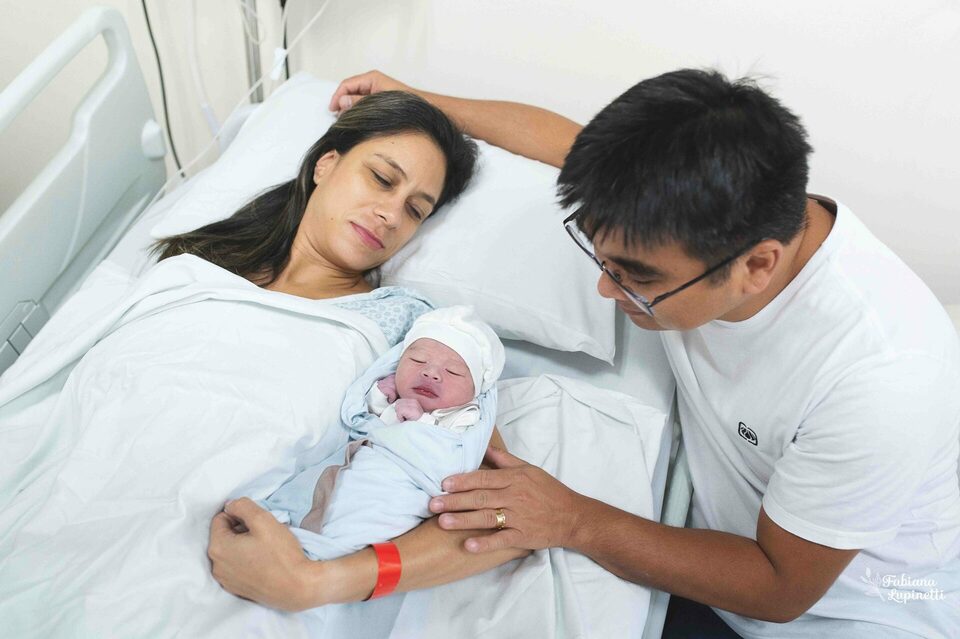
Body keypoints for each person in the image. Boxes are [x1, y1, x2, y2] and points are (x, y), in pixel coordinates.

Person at [208, 69, 960, 638]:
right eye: (601, 258)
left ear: (755, 266)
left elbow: (780, 586)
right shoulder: (688, 199)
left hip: (839, 612)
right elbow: (559, 141)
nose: (606, 289)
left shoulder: (879, 380)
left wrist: (571, 518)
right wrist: (421, 104)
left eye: (637, 279)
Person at [261, 305, 505, 563]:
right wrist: (379, 396)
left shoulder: (466, 417)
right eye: (417, 360)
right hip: (349, 471)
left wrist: (421, 423)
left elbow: (451, 464)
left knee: (355, 519)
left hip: (393, 492)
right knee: (308, 498)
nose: (430, 372)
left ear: (474, 390)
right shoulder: (394, 398)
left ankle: (323, 551)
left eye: (452, 371)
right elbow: (364, 423)